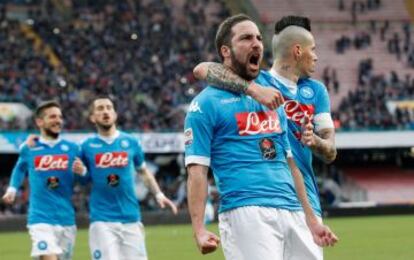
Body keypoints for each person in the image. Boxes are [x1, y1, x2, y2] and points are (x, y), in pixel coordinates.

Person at [185, 14, 337, 260]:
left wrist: (311, 220)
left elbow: (292, 164)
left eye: (258, 37)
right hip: (246, 208)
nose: (256, 43)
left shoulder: (300, 94)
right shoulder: (207, 103)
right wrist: (199, 229)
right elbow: (196, 172)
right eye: (246, 38)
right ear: (226, 50)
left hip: (294, 208)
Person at [81, 97, 178, 260]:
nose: (105, 111)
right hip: (102, 220)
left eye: (109, 107)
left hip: (131, 217)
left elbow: (144, 172)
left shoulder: (131, 142)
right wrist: (81, 172)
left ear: (115, 114)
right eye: (100, 108)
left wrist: (159, 194)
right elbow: (82, 178)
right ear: (92, 117)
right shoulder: (86, 146)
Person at [2, 101, 85, 260]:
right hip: (40, 218)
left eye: (60, 117)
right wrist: (12, 189)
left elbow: (84, 180)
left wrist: (84, 171)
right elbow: (20, 168)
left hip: (66, 218)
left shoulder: (73, 148)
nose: (58, 120)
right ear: (40, 122)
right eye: (52, 116)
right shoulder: (30, 148)